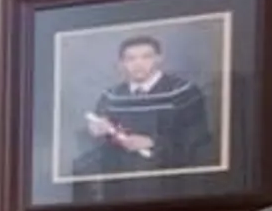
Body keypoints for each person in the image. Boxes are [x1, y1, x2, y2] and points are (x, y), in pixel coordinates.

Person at [80, 31, 215, 174]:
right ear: (121, 64)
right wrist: (97, 131)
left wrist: (153, 143)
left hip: (169, 177)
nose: (138, 64)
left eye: (146, 57)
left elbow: (198, 136)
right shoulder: (111, 97)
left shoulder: (183, 92)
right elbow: (102, 142)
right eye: (130, 59)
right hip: (121, 179)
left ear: (159, 59)